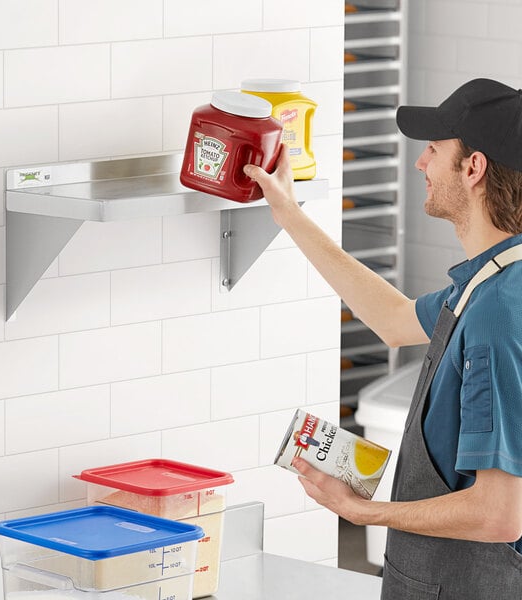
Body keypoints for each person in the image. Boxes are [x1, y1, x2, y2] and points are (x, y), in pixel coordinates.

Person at [244, 78, 522, 599]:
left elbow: (499, 514)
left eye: (434, 149)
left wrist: (359, 511)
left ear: (474, 168)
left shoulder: (498, 313)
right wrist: (288, 213)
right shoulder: (493, 280)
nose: (421, 163)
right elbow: (393, 319)